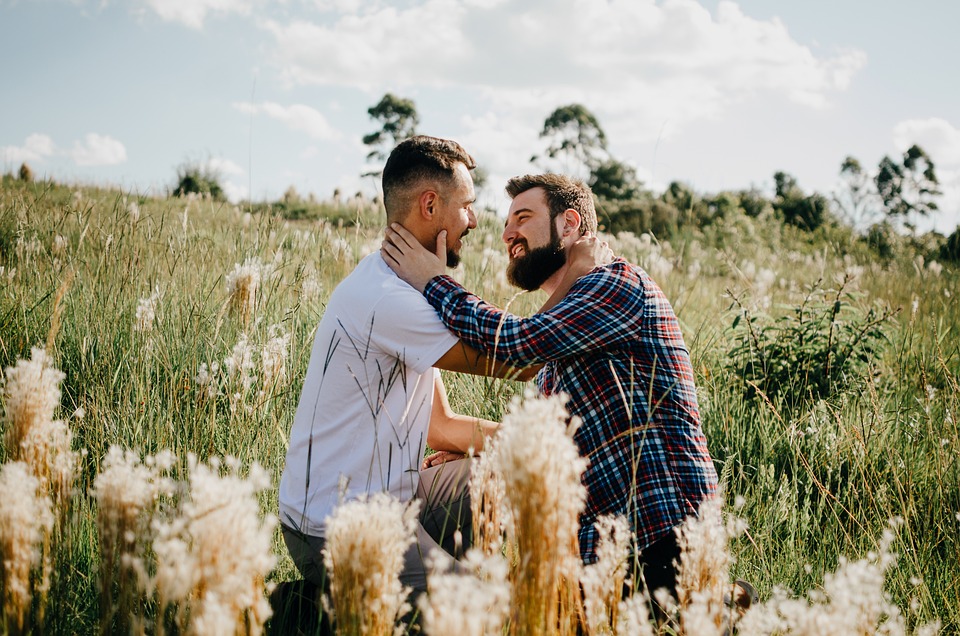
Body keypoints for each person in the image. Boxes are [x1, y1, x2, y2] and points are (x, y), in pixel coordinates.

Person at [381, 173, 719, 605]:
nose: (507, 233)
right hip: (608, 551)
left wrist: (433, 280)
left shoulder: (613, 284)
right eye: (506, 223)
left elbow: (518, 345)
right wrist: (479, 451)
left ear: (570, 224)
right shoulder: (560, 350)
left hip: (661, 534)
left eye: (522, 217)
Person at [278, 136, 528, 602]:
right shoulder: (388, 299)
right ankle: (314, 606)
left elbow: (441, 427)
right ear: (430, 205)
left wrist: (533, 448)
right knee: (483, 615)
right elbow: (519, 359)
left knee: (509, 470)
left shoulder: (404, 290)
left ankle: (350, 601)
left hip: (394, 500)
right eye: (467, 206)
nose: (474, 220)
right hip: (337, 527)